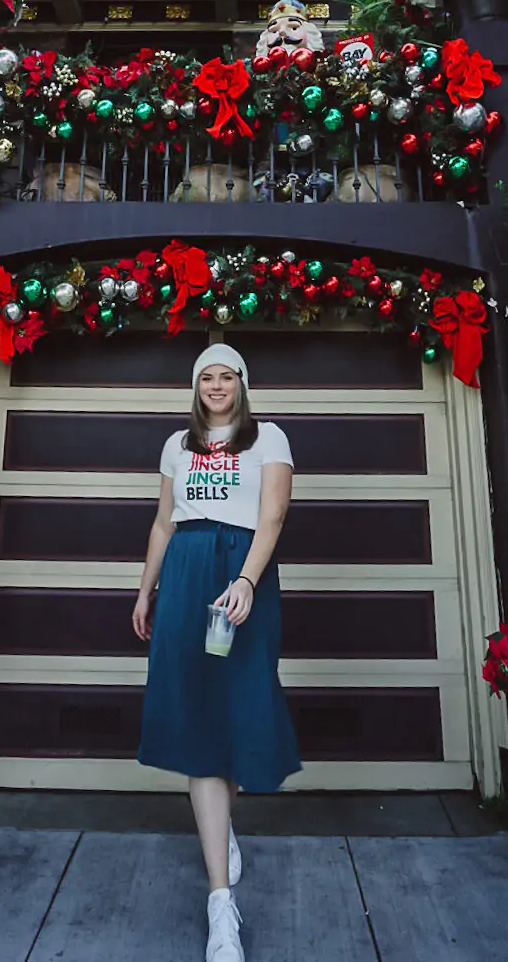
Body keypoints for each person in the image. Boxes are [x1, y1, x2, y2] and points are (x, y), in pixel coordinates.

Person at [133, 344, 300, 962]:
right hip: (186, 571)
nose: (216, 385)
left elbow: (273, 515)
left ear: (242, 384)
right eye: (207, 376)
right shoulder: (178, 446)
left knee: (240, 705)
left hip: (240, 574)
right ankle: (220, 903)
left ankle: (219, 826)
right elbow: (162, 523)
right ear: (196, 386)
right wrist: (146, 589)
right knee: (197, 711)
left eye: (227, 376)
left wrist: (249, 581)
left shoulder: (269, 438)